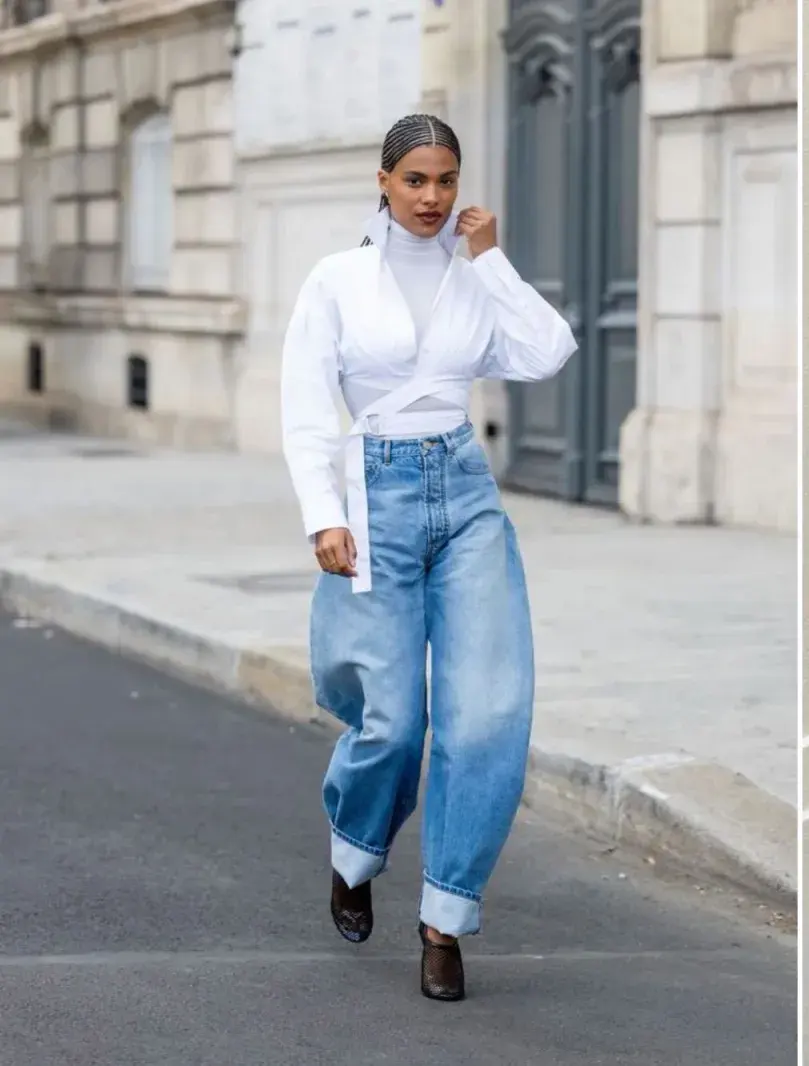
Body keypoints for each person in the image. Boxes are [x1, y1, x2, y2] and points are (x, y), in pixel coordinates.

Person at [279, 113, 577, 1001]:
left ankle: (445, 919)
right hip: (373, 495)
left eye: (446, 180)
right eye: (415, 180)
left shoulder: (472, 276)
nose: (432, 197)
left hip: (465, 492)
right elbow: (303, 407)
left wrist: (491, 261)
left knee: (487, 715)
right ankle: (355, 852)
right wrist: (321, 514)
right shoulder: (336, 279)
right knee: (393, 723)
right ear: (383, 180)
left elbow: (549, 351)